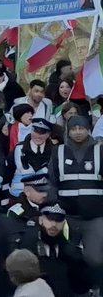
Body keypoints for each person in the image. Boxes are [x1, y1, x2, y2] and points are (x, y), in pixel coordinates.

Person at [47, 114, 103, 290]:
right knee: (67, 256)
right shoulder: (58, 151)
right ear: (67, 131)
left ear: (88, 129)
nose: (78, 132)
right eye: (73, 129)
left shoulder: (100, 151)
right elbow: (52, 182)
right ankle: (72, 290)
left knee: (95, 258)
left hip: (95, 216)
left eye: (81, 128)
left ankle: (96, 288)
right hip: (67, 216)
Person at [8, 204, 92, 297]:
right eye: (50, 219)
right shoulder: (26, 246)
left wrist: (78, 265)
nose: (54, 224)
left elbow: (82, 288)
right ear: (41, 220)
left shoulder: (71, 251)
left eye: (58, 220)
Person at [8, 117, 53, 199]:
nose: (38, 136)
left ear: (48, 134)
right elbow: (9, 171)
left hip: (44, 197)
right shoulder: (18, 149)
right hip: (18, 195)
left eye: (42, 133)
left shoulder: (54, 151)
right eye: (36, 131)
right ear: (31, 130)